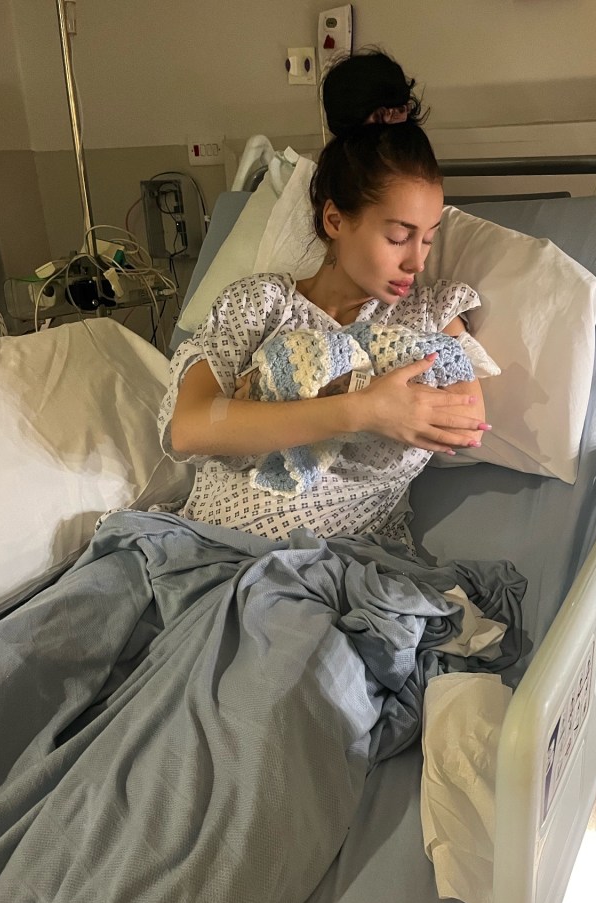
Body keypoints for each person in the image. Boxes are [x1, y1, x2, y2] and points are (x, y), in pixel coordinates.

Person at [158, 51, 494, 543]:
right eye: (399, 237)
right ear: (335, 221)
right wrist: (362, 411)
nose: (417, 262)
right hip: (199, 539)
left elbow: (467, 421)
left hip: (326, 562)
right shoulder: (261, 303)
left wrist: (264, 410)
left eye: (428, 238)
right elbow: (190, 427)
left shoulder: (427, 316)